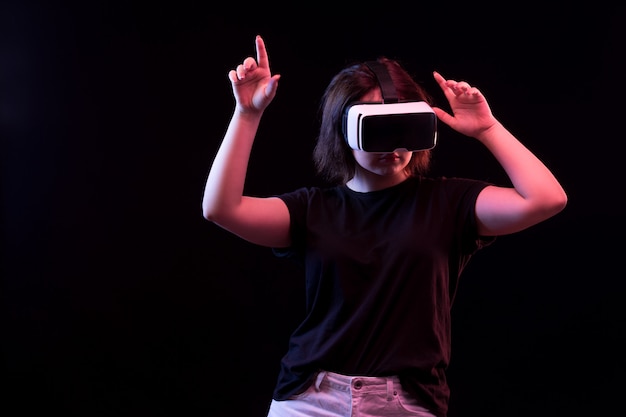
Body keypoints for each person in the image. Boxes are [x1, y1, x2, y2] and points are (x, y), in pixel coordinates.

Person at [202, 35, 567, 417]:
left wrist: (487, 129)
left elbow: (546, 199)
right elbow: (220, 208)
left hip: (406, 403)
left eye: (405, 126)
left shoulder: (450, 204)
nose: (393, 147)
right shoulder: (312, 210)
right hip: (311, 399)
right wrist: (246, 114)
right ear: (343, 130)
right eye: (377, 128)